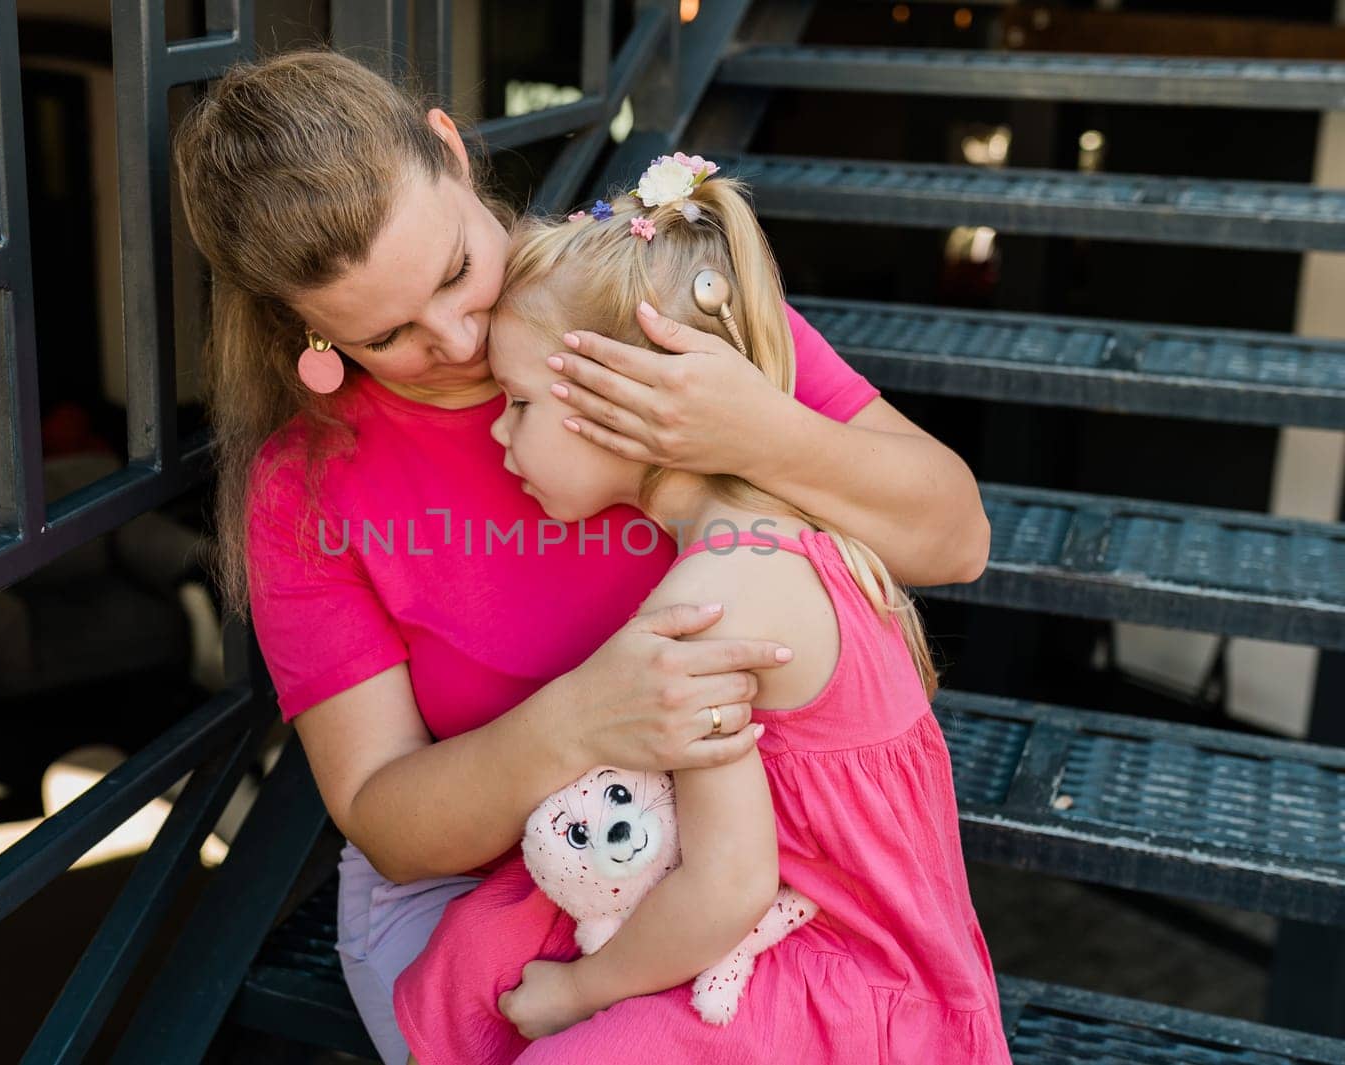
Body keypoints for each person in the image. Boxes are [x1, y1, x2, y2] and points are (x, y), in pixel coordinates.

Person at [171, 49, 990, 1065]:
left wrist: (756, 432)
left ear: (449, 149)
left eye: (457, 272)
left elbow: (955, 542)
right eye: (390, 335)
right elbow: (387, 819)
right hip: (481, 879)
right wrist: (580, 721)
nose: (460, 337)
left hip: (738, 855)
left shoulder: (624, 307)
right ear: (307, 328)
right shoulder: (307, 482)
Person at [392, 159, 1012, 1064]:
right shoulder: (768, 529)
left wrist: (578, 992)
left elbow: (728, 884)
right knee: (473, 952)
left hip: (848, 970)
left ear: (620, 400)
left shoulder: (715, 595)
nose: (498, 431)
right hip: (798, 917)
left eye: (519, 403)